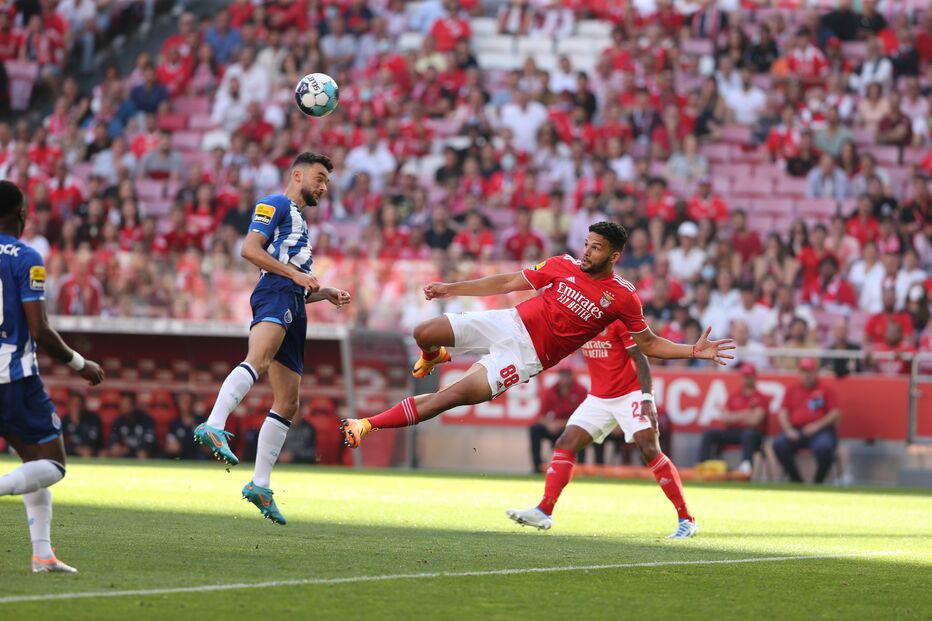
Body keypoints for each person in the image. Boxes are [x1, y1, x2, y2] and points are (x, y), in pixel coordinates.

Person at [340, 222, 734, 457]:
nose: (586, 252)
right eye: (586, 244)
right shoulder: (563, 264)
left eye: (596, 248)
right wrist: (450, 288)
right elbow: (510, 281)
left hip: (527, 356)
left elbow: (647, 344)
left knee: (449, 397)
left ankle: (366, 424)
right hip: (508, 322)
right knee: (423, 332)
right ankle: (436, 354)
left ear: (614, 256)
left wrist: (692, 351)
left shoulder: (623, 296)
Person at [193, 152, 351, 525]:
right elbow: (249, 249)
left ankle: (260, 485)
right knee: (259, 359)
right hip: (277, 293)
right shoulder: (275, 203)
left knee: (289, 401)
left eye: (327, 181)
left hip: (296, 302)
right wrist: (295, 277)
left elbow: (296, 275)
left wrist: (322, 291)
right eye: (319, 177)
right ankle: (214, 424)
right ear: (297, 174)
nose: (324, 186)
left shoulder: (299, 220)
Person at [508, 321, 698, 539]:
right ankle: (544, 511)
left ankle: (687, 519)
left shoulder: (617, 321)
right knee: (566, 442)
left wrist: (647, 397)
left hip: (631, 394)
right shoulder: (580, 318)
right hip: (599, 398)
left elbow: (640, 357)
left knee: (649, 449)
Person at [0, 180, 104, 573]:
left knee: (31, 461)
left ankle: (42, 554)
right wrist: (82, 364)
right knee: (53, 463)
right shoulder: (26, 257)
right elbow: (40, 330)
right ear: (20, 215)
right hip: (15, 379)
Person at [771, 358, 841, 484]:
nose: (806, 375)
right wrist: (788, 430)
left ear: (815, 372)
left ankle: (818, 481)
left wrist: (817, 426)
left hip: (820, 432)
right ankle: (796, 479)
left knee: (824, 448)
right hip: (796, 431)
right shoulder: (792, 389)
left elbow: (835, 413)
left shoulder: (825, 390)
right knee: (779, 444)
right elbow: (783, 412)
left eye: (809, 371)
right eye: (803, 371)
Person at [698, 362, 768, 475]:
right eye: (745, 376)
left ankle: (746, 467)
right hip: (734, 431)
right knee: (709, 433)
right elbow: (725, 418)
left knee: (748, 434)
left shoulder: (761, 397)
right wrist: (746, 413)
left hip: (753, 435)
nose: (747, 379)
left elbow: (755, 420)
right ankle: (703, 465)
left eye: (749, 376)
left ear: (755, 377)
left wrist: (734, 416)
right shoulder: (734, 396)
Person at [527, 361, 588, 474]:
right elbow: (540, 415)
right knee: (534, 429)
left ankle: (581, 468)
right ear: (559, 375)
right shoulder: (550, 390)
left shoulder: (581, 390)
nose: (565, 377)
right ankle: (537, 467)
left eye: (567, 374)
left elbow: (584, 416)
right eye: (562, 373)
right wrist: (549, 424)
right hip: (555, 427)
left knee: (583, 431)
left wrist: (562, 423)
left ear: (572, 375)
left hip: (572, 428)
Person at [109, 392, 157, 459]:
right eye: (122, 404)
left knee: (142, 453)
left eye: (126, 404)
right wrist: (116, 446)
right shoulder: (119, 421)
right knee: (111, 451)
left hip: (146, 453)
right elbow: (113, 438)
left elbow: (149, 441)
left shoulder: (146, 420)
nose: (123, 406)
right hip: (126, 452)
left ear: (133, 406)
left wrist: (134, 449)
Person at [165, 391, 205, 460]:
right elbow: (171, 447)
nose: (185, 404)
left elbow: (208, 447)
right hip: (179, 459)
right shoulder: (174, 424)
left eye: (188, 401)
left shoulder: (202, 422)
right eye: (182, 401)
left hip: (199, 459)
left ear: (193, 403)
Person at [61, 391, 103, 457]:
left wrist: (77, 423)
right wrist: (76, 450)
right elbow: (60, 444)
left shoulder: (93, 418)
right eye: (73, 405)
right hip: (73, 453)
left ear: (83, 406)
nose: (76, 408)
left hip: (93, 452)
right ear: (69, 406)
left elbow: (95, 440)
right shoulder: (65, 420)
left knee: (102, 454)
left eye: (78, 405)